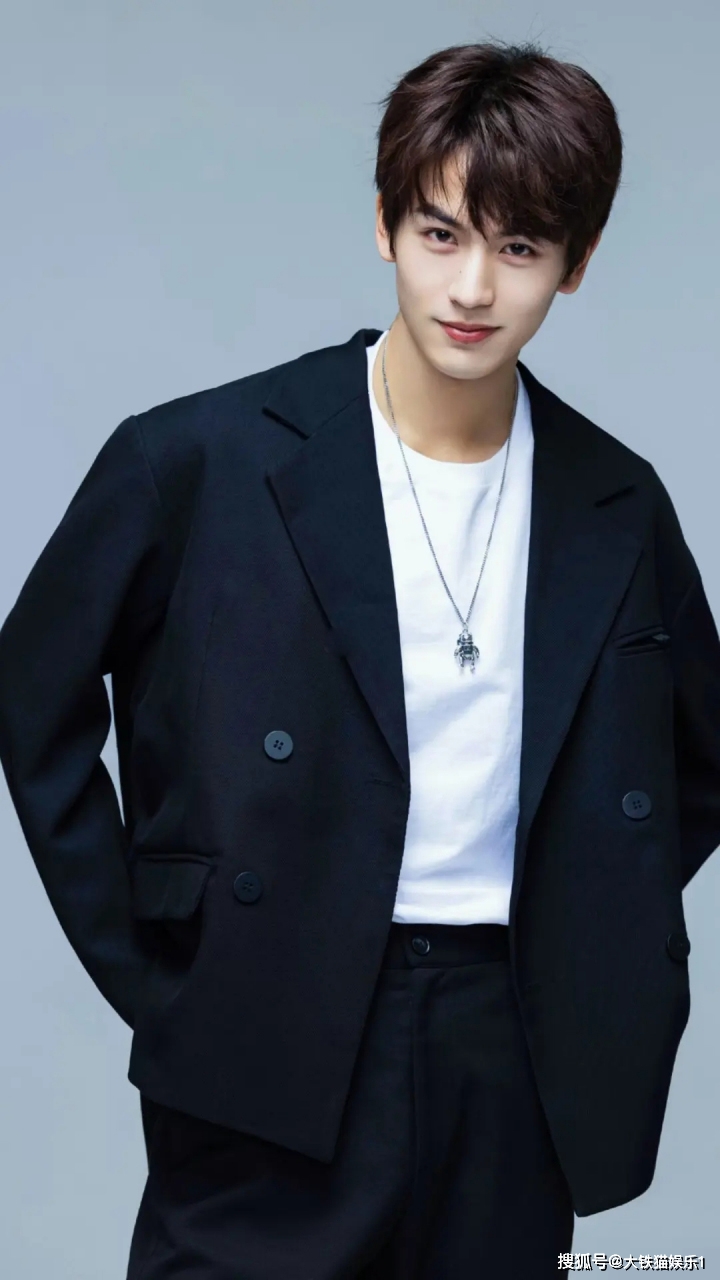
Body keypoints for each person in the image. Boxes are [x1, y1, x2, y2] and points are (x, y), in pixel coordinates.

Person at [0, 38, 718, 1280]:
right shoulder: (201, 456)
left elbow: (698, 764)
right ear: (383, 226)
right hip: (266, 1009)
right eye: (441, 233)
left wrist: (584, 915)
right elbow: (32, 694)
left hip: (512, 1040)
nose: (474, 286)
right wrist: (162, 968)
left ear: (578, 261)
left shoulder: (616, 498)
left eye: (522, 247)